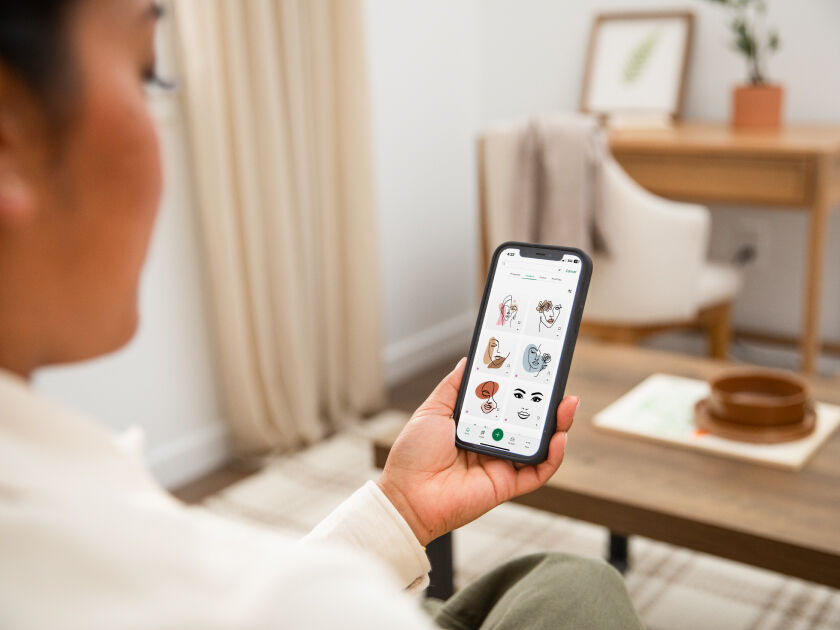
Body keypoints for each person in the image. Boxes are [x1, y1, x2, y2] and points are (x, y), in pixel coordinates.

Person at [0, 1, 643, 628]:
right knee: (582, 588)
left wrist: (401, 511)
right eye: (149, 73)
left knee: (569, 577)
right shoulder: (275, 596)